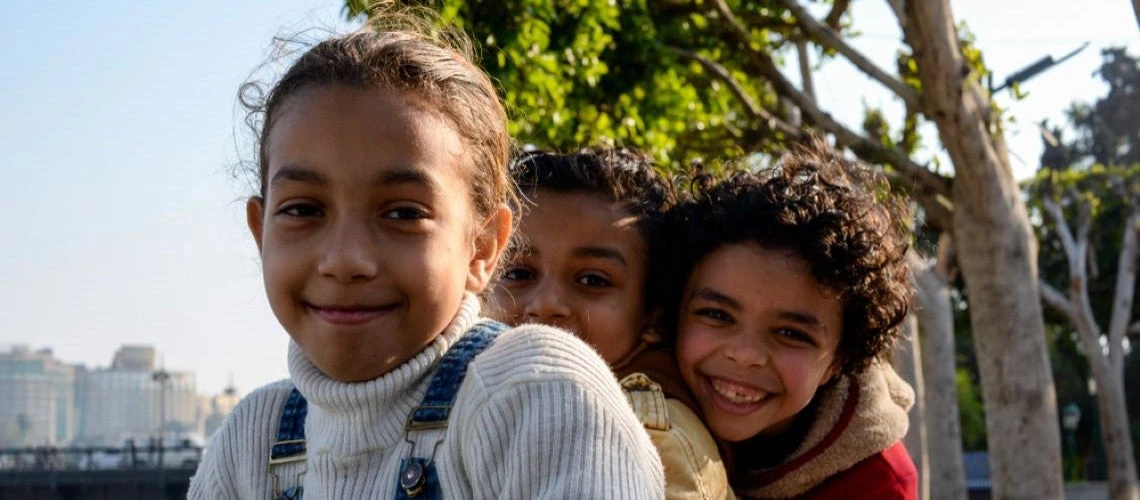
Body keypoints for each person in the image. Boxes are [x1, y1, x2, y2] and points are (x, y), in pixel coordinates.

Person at [188, 15, 664, 499]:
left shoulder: (536, 394)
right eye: (304, 209)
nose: (345, 259)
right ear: (260, 232)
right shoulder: (250, 442)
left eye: (402, 213)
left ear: (482, 247)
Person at [659, 140, 917, 499]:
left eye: (790, 334)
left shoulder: (876, 484)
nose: (746, 354)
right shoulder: (632, 383)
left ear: (840, 359)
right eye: (717, 315)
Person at [489, 149, 731, 499]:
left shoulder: (645, 434)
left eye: (592, 280)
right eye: (518, 273)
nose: (545, 304)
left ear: (655, 318)